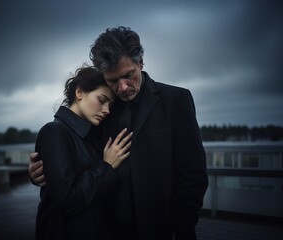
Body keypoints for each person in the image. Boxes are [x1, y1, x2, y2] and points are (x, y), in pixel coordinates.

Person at [30, 26, 208, 240]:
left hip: (162, 229)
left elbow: (193, 174)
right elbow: (76, 157)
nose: (122, 87)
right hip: (108, 231)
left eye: (128, 75)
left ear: (140, 63)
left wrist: (180, 226)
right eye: (113, 80)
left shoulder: (176, 100)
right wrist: (41, 171)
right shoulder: (102, 110)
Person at [34, 65, 133, 240]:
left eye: (110, 105)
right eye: (101, 100)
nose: (107, 110)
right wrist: (106, 166)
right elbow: (66, 200)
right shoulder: (54, 132)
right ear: (79, 93)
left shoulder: (89, 135)